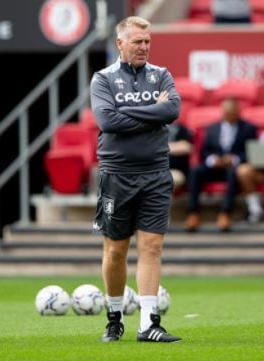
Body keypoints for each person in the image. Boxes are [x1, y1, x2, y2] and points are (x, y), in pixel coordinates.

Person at [90, 16, 181, 343]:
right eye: (137, 42)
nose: (144, 47)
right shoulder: (103, 79)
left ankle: (148, 323)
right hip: (117, 175)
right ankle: (114, 318)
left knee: (152, 246)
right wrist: (151, 113)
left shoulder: (162, 75)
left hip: (156, 173)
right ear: (120, 43)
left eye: (147, 42)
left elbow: (172, 110)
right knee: (115, 250)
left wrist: (129, 115)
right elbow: (106, 120)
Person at [185, 98, 257, 231]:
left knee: (234, 171)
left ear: (238, 112)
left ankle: (225, 213)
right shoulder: (212, 128)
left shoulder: (249, 128)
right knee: (195, 171)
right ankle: (193, 213)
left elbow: (251, 153)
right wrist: (213, 159)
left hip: (233, 168)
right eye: (226, 113)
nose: (229, 116)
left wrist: (235, 159)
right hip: (215, 167)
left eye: (232, 113)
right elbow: (204, 152)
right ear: (222, 112)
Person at [168, 122, 193, 192]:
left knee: (170, 179)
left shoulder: (180, 128)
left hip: (175, 171)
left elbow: (187, 147)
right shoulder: (152, 128)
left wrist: (160, 148)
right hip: (152, 170)